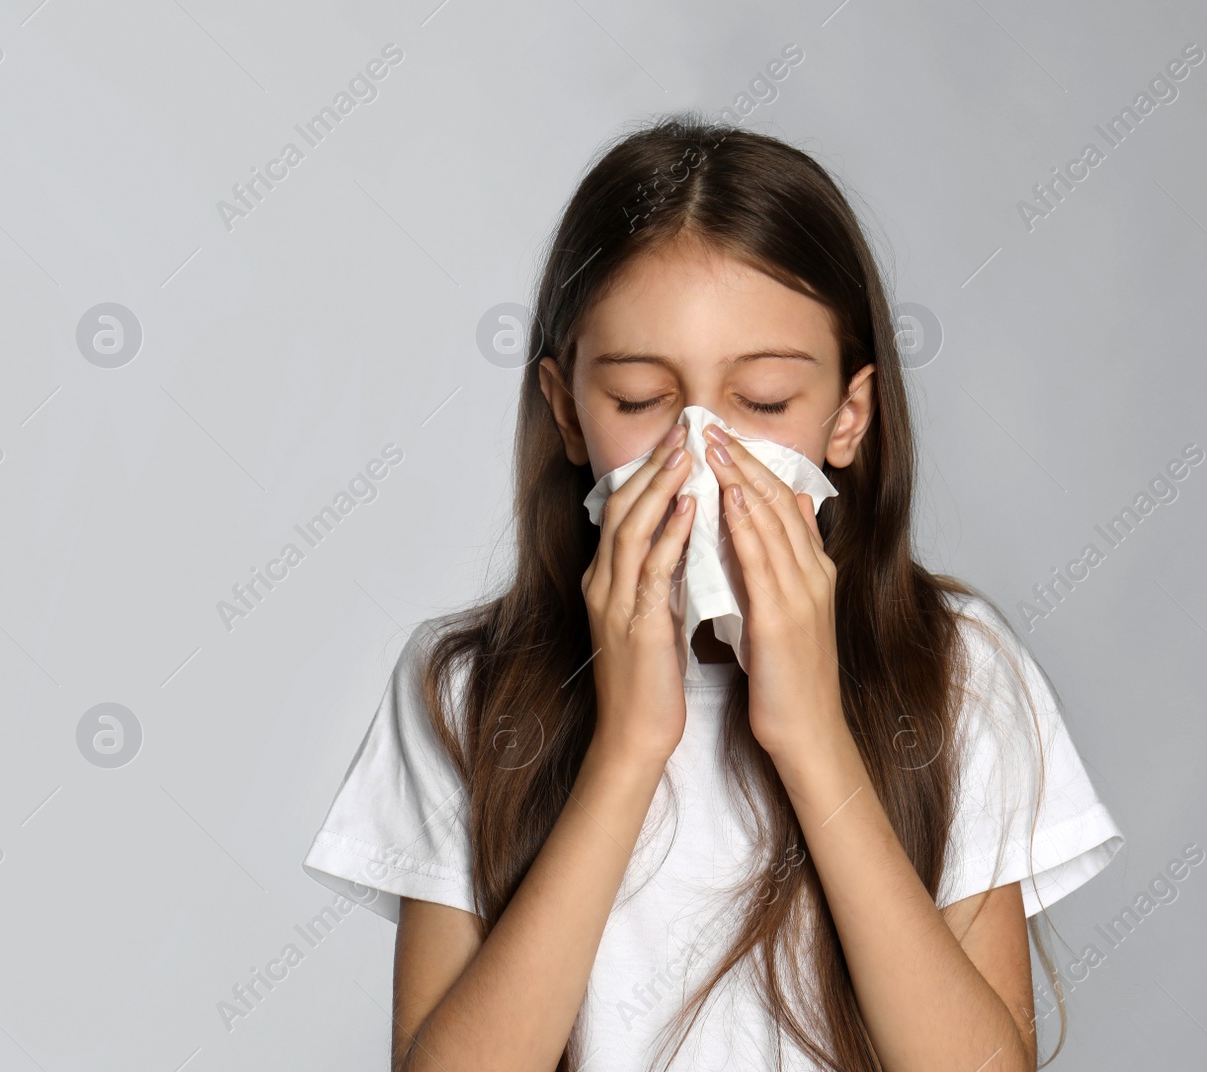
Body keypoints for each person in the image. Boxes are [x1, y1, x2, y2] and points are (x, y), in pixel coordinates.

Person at [302, 113, 1124, 1072]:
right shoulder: (465, 691)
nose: (700, 453)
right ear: (567, 413)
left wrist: (813, 736)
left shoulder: (955, 670)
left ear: (848, 418)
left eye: (765, 402)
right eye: (643, 402)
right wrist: (626, 751)